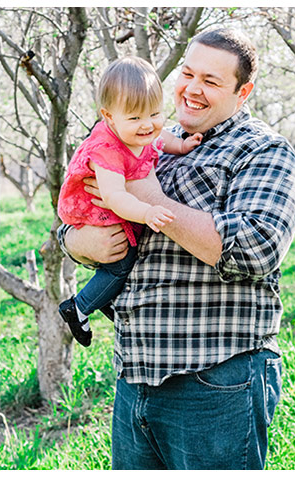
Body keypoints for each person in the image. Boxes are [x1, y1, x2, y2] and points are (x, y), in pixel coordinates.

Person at [58, 28, 295, 469]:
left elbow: (257, 248)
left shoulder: (262, 151)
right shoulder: (145, 138)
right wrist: (79, 242)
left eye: (211, 81)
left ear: (242, 91)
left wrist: (149, 199)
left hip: (215, 381)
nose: (192, 89)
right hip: (135, 379)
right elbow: (78, 219)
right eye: (187, 73)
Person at [56, 56, 202, 347]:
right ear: (109, 117)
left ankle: (103, 297)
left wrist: (182, 145)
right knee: (121, 262)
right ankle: (80, 307)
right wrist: (147, 211)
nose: (147, 125)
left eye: (154, 114)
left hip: (115, 204)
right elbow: (114, 197)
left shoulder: (139, 131)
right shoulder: (107, 151)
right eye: (135, 118)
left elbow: (159, 139)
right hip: (95, 207)